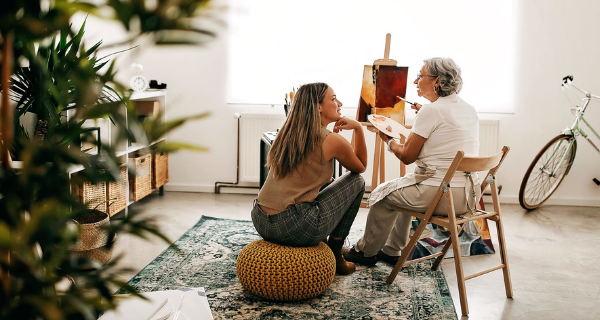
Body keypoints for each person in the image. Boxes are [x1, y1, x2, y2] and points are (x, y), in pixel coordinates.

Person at [343, 57, 481, 266]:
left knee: (383, 195)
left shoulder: (432, 111)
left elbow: (408, 156)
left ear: (437, 81)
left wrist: (389, 141)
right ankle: (391, 250)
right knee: (402, 189)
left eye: (420, 76)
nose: (416, 81)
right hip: (470, 195)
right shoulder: (468, 108)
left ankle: (365, 252)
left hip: (443, 196)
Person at [252, 82, 368, 275]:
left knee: (329, 183)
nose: (339, 103)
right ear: (318, 106)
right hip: (293, 226)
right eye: (333, 98)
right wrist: (358, 129)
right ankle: (336, 254)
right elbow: (360, 167)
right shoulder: (330, 140)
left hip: (261, 220)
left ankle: (330, 247)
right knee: (357, 182)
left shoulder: (287, 133)